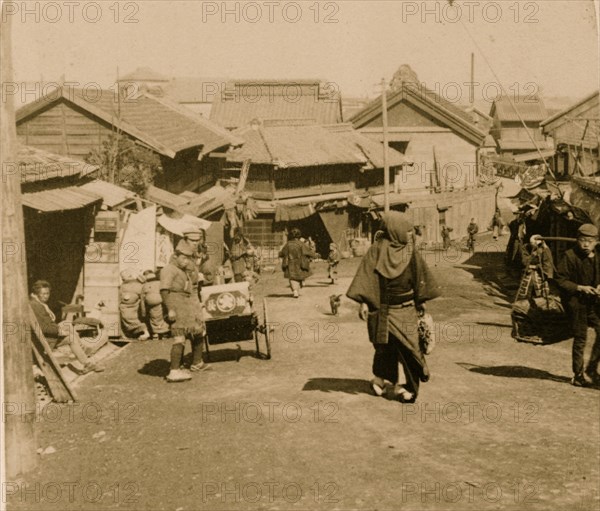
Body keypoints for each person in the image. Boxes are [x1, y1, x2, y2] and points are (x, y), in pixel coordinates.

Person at [347, 212, 440, 402]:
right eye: (406, 230)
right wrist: (364, 301)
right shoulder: (377, 249)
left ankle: (408, 388)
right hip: (381, 307)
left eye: (410, 230)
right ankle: (381, 379)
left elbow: (419, 276)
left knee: (410, 349)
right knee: (383, 345)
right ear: (393, 229)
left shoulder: (410, 251)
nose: (409, 234)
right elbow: (367, 276)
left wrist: (420, 300)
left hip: (405, 308)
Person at [555, 223, 600, 387]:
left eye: (590, 241)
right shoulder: (569, 256)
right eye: (582, 240)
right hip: (576, 303)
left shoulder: (597, 256)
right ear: (577, 240)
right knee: (581, 338)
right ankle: (578, 374)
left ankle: (592, 369)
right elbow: (560, 280)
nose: (586, 244)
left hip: (594, 304)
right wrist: (580, 288)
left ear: (596, 241)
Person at [30, 281, 105, 373]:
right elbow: (44, 328)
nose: (46, 296)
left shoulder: (37, 303)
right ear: (37, 294)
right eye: (43, 294)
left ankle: (82, 353)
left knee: (67, 324)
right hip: (46, 338)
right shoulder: (36, 306)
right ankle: (86, 360)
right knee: (71, 337)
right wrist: (60, 331)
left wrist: (60, 329)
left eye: (48, 293)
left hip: (48, 333)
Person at [160, 240, 207, 382]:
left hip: (186, 305)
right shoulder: (169, 269)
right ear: (175, 256)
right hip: (176, 305)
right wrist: (170, 309)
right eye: (184, 258)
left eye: (188, 258)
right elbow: (164, 290)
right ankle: (174, 371)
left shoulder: (181, 270)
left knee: (197, 331)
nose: (186, 261)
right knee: (179, 336)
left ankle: (196, 363)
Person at [279, 228, 317, 298]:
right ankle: (301, 283)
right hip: (300, 263)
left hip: (291, 263)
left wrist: (280, 254)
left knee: (292, 278)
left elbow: (282, 253)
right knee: (299, 276)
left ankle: (295, 291)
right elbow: (308, 252)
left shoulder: (288, 244)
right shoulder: (301, 244)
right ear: (299, 235)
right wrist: (315, 255)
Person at [119, 269, 150, 341]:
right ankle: (143, 332)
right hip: (134, 305)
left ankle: (144, 332)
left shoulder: (125, 286)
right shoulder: (138, 285)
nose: (122, 278)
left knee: (129, 318)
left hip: (129, 306)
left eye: (123, 277)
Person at [141, 269, 170, 339]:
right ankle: (163, 332)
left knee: (153, 317)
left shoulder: (144, 285)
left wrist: (143, 312)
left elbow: (142, 299)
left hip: (150, 303)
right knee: (161, 316)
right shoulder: (160, 283)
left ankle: (155, 333)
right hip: (160, 301)